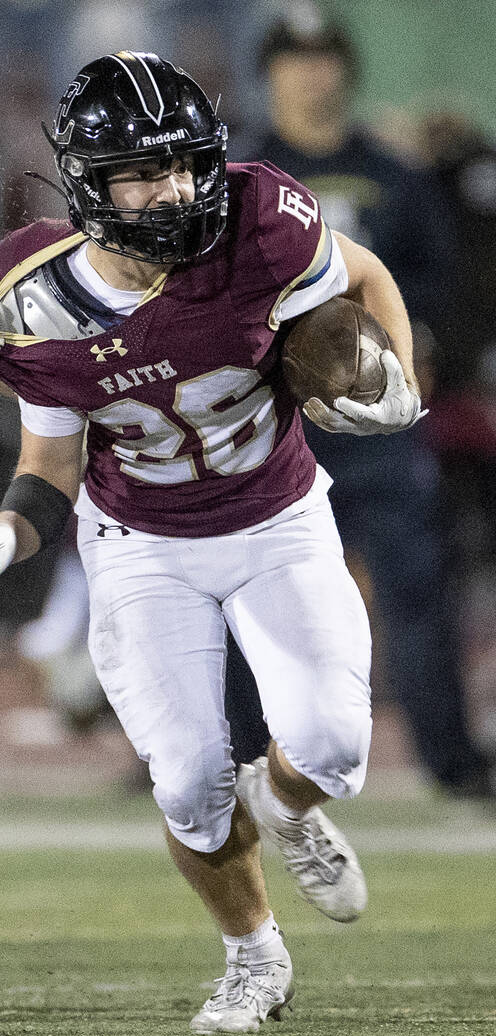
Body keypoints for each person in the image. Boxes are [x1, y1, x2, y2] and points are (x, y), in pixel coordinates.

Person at [0, 51, 424, 1033]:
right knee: (190, 781)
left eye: (188, 164)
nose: (176, 189)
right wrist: (2, 532)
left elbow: (361, 274)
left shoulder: (262, 220)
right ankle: (253, 956)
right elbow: (48, 460)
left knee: (331, 750)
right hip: (143, 541)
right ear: (88, 182)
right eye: (143, 172)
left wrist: (399, 381)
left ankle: (286, 803)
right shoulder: (29, 300)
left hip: (278, 510)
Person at [223, 7, 496, 801]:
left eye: (326, 59)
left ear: (344, 70)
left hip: (375, 423)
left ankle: (451, 760)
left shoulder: (394, 174)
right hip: (269, 424)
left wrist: (422, 347)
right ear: (271, 72)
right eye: (297, 60)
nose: (314, 74)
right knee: (240, 590)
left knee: (415, 587)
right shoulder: (238, 174)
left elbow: (440, 282)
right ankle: (231, 753)